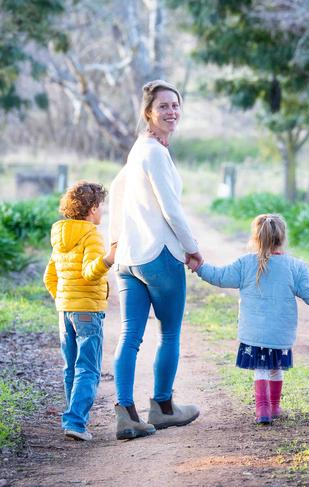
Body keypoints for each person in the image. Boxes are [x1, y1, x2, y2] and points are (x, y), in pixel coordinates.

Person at [109, 80, 202, 440]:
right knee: (170, 332)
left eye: (175, 105)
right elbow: (171, 209)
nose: (171, 112)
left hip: (130, 259)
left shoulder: (138, 150)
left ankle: (126, 414)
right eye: (163, 106)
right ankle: (162, 408)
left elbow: (117, 191)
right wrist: (192, 247)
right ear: (148, 112)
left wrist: (116, 244)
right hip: (159, 255)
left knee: (130, 335)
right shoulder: (155, 153)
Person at [196, 214, 309, 424]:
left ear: (256, 238)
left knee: (260, 369)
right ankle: (275, 406)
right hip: (280, 333)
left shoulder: (245, 263)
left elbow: (219, 276)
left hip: (253, 333)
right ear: (282, 238)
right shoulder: (295, 266)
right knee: (276, 368)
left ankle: (262, 409)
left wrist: (198, 266)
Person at [43, 181, 116, 441]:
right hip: (86, 310)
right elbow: (89, 273)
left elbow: (49, 277)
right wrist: (108, 259)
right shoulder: (92, 234)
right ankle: (75, 421)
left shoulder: (60, 234)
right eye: (101, 207)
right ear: (92, 208)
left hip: (65, 310)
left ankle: (73, 418)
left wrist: (64, 299)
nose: (103, 212)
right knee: (88, 368)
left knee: (70, 368)